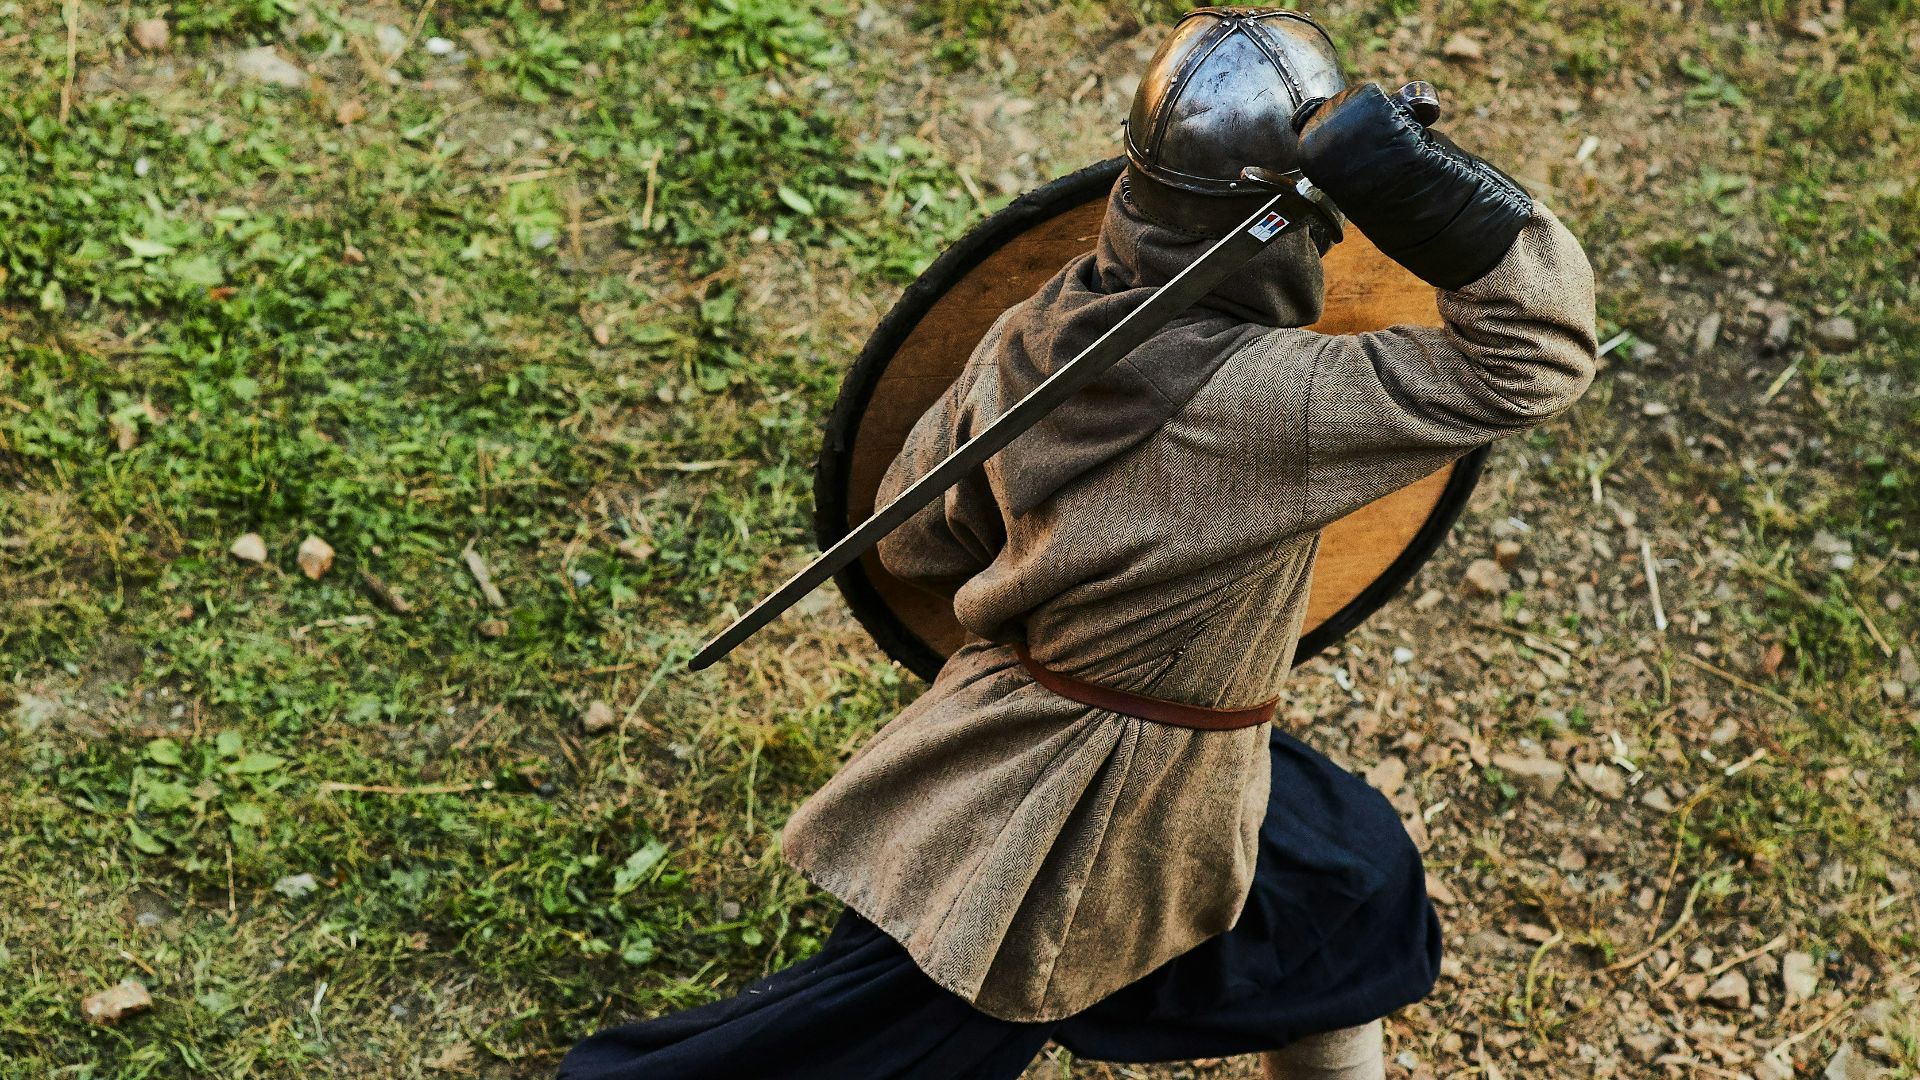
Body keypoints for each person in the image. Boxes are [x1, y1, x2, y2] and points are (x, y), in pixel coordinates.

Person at [561, 8, 1597, 1078]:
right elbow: (1539, 355)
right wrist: (1433, 195)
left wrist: (1070, 566)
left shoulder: (1031, 337)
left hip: (1124, 742)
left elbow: (917, 542)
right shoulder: (1273, 406)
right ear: (1297, 212)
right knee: (868, 1034)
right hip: (1076, 815)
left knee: (1347, 881)